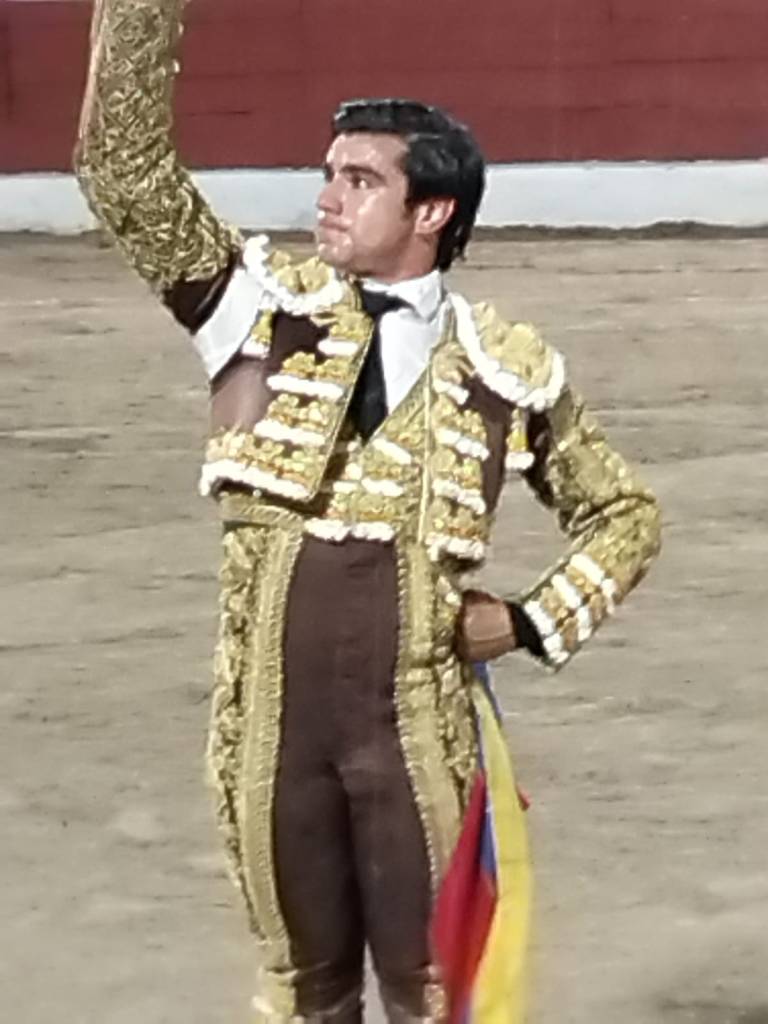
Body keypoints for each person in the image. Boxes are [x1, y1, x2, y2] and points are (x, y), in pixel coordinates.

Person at [75, 2, 661, 1022]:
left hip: (416, 731)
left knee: (436, 991)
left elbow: (624, 514)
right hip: (270, 729)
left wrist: (532, 619)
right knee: (306, 990)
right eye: (328, 174)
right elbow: (121, 174)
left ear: (431, 211)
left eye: (359, 180)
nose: (327, 198)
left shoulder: (505, 368)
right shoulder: (253, 308)